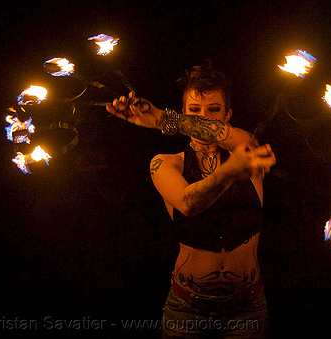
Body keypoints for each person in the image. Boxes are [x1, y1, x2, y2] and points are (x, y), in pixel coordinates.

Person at [107, 62, 276, 338]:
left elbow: (237, 141)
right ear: (185, 114)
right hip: (187, 311)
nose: (204, 118)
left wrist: (164, 118)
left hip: (248, 310)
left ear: (228, 114)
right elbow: (187, 203)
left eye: (214, 110)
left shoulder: (247, 151)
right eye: (194, 111)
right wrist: (230, 170)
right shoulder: (165, 163)